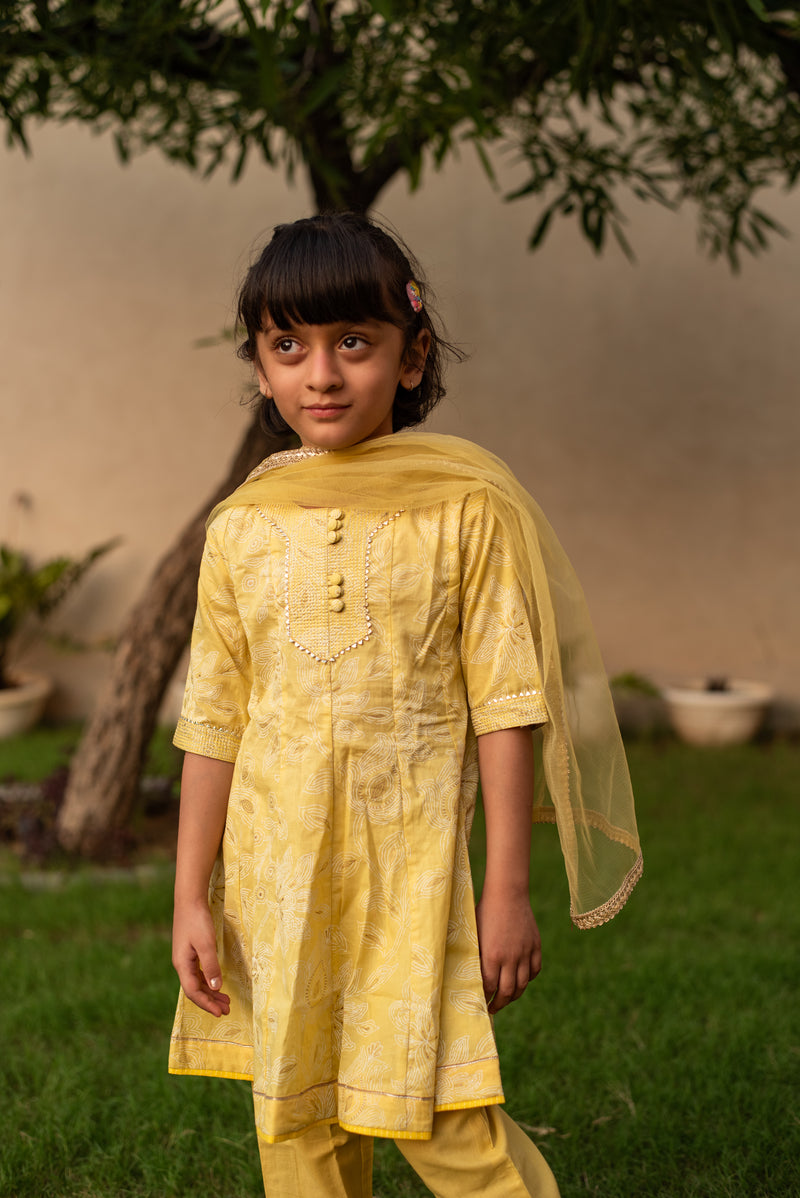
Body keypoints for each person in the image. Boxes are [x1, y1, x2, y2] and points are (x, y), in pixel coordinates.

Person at [169, 212, 642, 1198]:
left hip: (411, 877)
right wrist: (189, 894)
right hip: (275, 883)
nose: (322, 375)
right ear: (259, 366)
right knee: (295, 1122)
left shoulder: (465, 507)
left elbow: (505, 704)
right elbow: (213, 718)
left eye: (354, 341)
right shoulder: (242, 528)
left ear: (411, 351)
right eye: (288, 346)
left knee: (445, 1123)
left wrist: (506, 889)